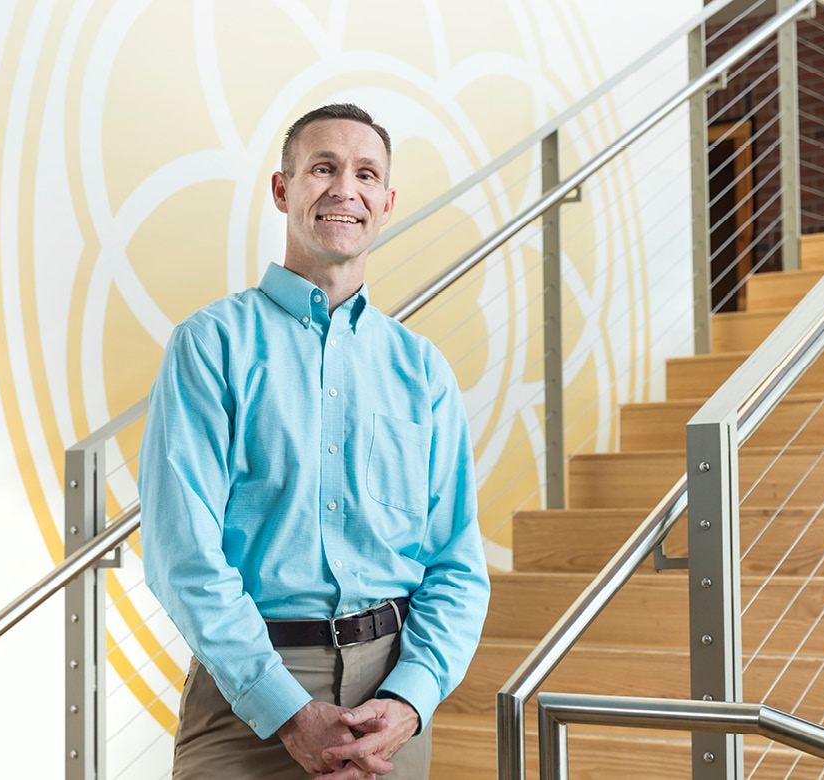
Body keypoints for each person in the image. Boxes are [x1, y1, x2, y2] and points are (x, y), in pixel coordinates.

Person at [140, 102, 491, 780]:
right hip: (250, 690)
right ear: (283, 189)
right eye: (322, 168)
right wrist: (283, 708)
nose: (344, 190)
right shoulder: (210, 346)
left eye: (365, 174)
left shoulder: (422, 371)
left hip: (388, 696)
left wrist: (411, 697)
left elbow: (455, 561)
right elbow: (182, 554)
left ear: (386, 204)